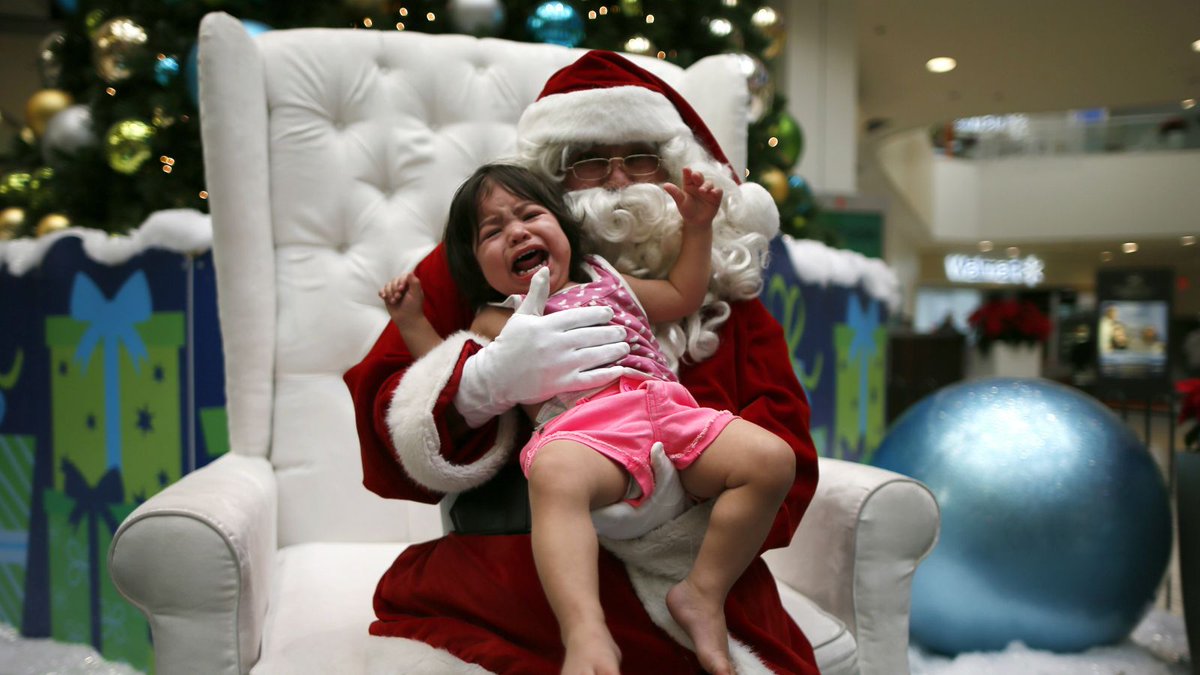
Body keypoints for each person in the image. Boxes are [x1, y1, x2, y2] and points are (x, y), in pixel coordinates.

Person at [344, 50, 820, 674]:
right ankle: (586, 634)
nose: (618, 181)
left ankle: (695, 597)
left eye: (642, 158)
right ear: (553, 181)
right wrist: (480, 385)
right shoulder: (488, 265)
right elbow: (397, 395)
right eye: (589, 162)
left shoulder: (698, 277)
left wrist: (679, 502)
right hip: (525, 553)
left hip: (690, 538)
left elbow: (784, 442)